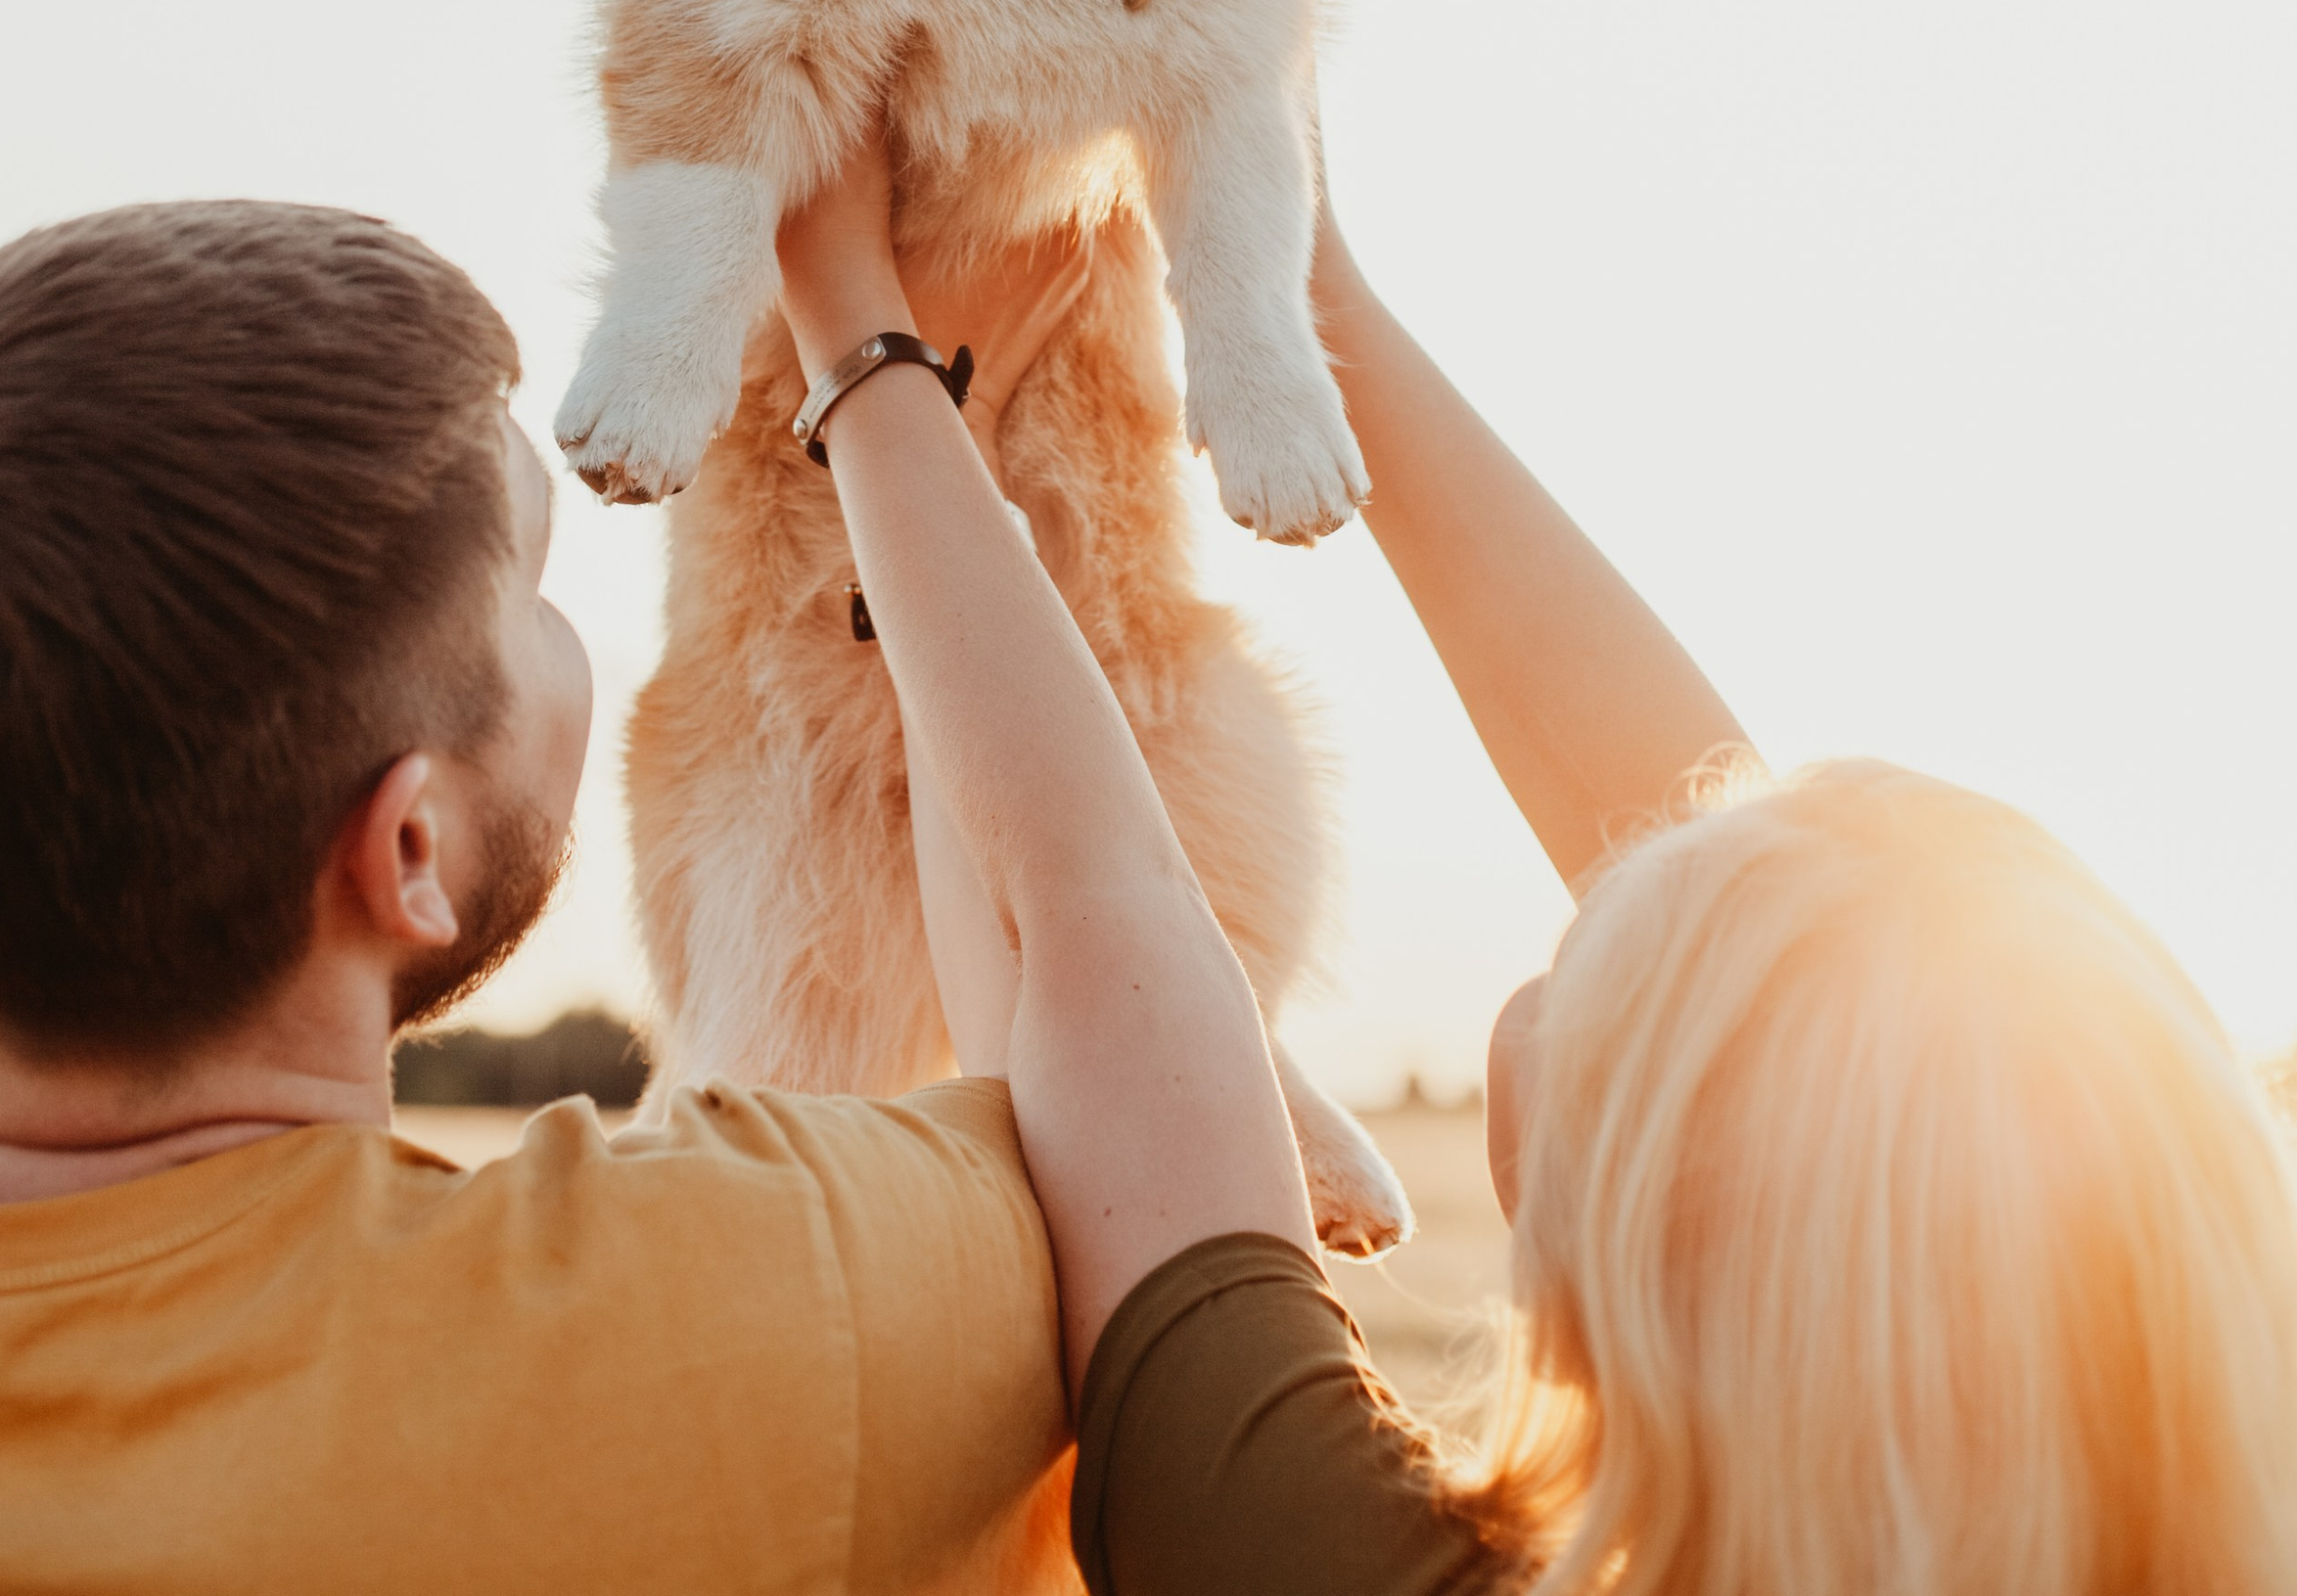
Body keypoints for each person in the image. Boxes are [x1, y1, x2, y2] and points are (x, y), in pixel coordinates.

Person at [775, 131, 2297, 1596]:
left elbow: (1086, 929)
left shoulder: (1324, 1557)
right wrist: (1309, 292)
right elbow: (1800, 988)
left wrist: (853, 321)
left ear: (1699, 1263)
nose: (1645, 848)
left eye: (1683, 943)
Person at [0, 200, 1080, 1594]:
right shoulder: (749, 1302)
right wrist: (916, 422)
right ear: (407, 850)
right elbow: (1137, 1125)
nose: (561, 623)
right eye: (531, 592)